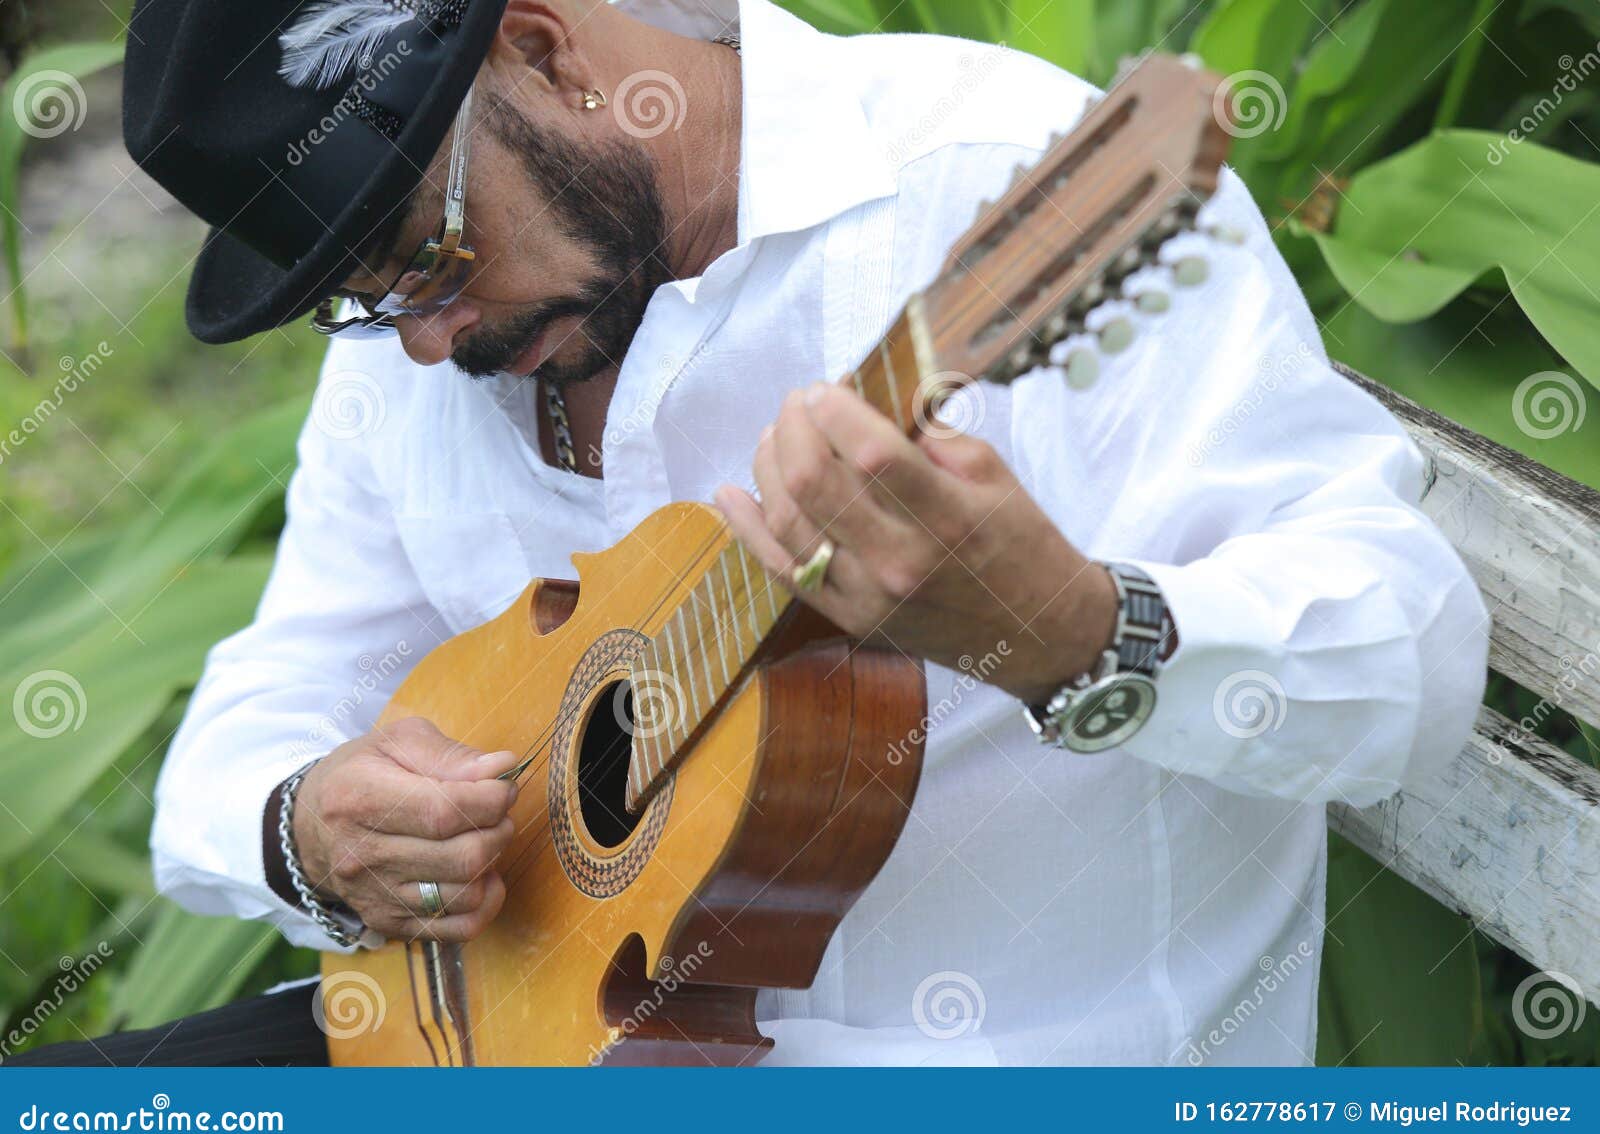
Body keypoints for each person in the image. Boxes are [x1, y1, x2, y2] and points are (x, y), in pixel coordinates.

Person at [14, 0, 1487, 1066]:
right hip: (519, 1054)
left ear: (541, 48)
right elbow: (250, 725)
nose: (423, 338)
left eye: (426, 254)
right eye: (361, 294)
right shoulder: (428, 347)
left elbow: (1412, 661)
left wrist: (1073, 632)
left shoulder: (981, 182)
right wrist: (308, 824)